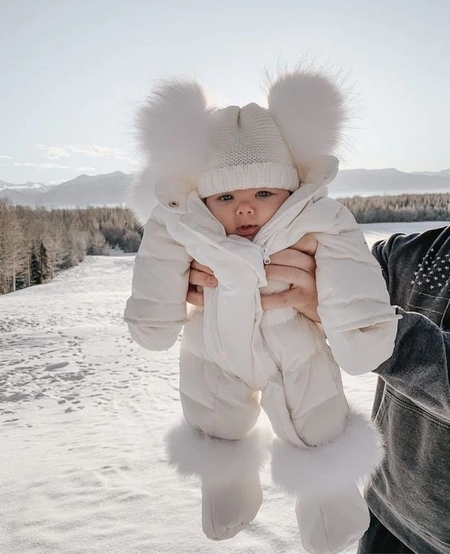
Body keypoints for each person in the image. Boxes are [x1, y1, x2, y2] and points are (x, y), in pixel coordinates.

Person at [124, 69, 399, 554]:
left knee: (317, 425)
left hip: (295, 348)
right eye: (227, 197)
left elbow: (351, 270)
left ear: (289, 193)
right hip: (213, 349)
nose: (245, 210)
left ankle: (330, 506)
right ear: (206, 198)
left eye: (263, 194)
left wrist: (362, 329)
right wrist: (154, 315)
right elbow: (158, 258)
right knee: (212, 418)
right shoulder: (185, 224)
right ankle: (226, 488)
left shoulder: (317, 219)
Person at [190, 226, 450, 554]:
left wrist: (345, 316)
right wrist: (232, 265)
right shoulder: (409, 253)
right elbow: (337, 271)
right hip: (386, 511)